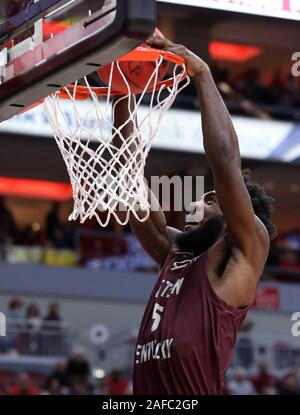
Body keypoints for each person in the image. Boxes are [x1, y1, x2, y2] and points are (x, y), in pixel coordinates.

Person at [113, 34, 276, 395]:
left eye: (209, 200)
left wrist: (200, 72)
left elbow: (224, 162)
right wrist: (122, 93)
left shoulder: (242, 253)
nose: (192, 205)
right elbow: (128, 176)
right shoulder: (174, 253)